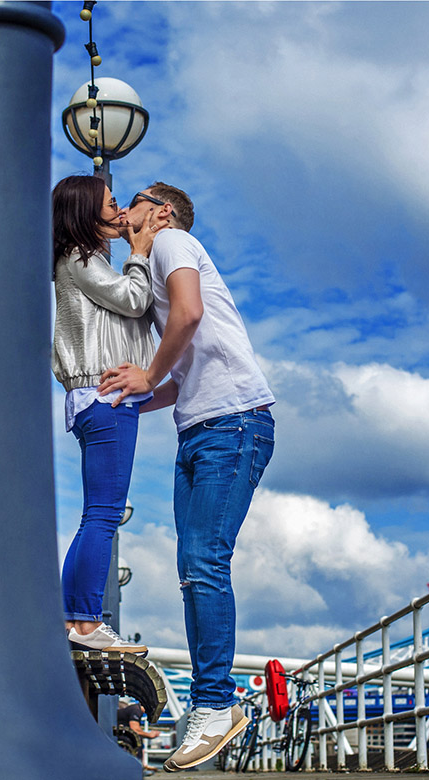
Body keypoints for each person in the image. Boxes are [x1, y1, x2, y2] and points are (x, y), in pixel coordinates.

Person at [99, 182, 275, 771]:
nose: (127, 207)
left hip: (234, 422)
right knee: (193, 568)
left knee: (203, 562)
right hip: (201, 425)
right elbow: (176, 374)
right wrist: (127, 398)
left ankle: (215, 704)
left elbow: (190, 314)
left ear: (163, 210)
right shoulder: (152, 260)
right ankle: (212, 703)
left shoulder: (173, 240)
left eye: (137, 198)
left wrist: (145, 375)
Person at [52, 174, 164, 654]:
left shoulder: (79, 261)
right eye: (113, 204)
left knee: (94, 514)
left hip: (91, 399)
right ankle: (86, 623)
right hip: (107, 397)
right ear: (86, 214)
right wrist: (141, 250)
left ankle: (75, 619)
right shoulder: (82, 259)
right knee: (103, 514)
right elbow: (135, 299)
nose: (121, 213)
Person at [117, 698, 160, 774]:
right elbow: (135, 729)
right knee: (137, 742)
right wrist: (149, 735)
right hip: (120, 733)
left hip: (121, 731)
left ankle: (140, 767)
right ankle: (137, 769)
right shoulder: (136, 710)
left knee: (138, 740)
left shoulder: (135, 708)